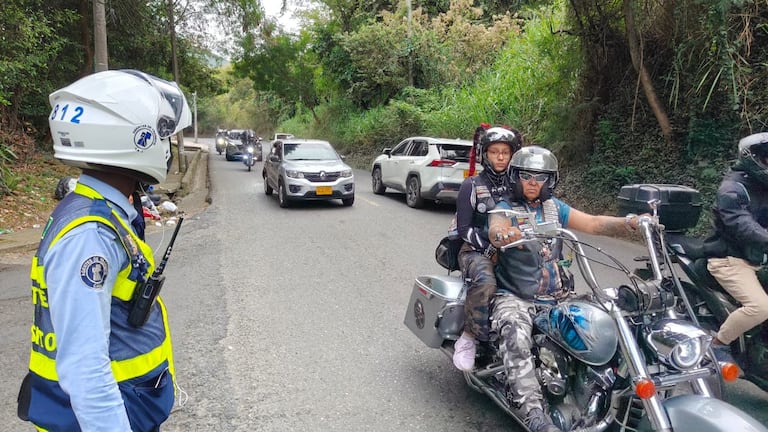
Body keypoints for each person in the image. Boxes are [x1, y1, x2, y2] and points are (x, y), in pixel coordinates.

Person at [16, 69, 191, 432]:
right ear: (138, 139)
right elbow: (85, 370)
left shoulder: (100, 209)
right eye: (164, 137)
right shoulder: (90, 236)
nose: (168, 148)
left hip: (130, 405)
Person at [487, 146, 641, 432]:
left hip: (558, 297)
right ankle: (533, 413)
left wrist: (632, 223)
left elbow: (594, 223)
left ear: (551, 180)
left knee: (610, 320)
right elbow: (495, 228)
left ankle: (607, 395)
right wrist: (503, 234)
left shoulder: (555, 208)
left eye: (541, 177)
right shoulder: (505, 208)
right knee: (515, 333)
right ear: (514, 176)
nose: (533, 182)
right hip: (516, 297)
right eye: (526, 175)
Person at [452, 125, 522, 372]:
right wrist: (489, 250)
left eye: (505, 152)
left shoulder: (520, 185)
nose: (501, 157)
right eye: (494, 152)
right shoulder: (471, 185)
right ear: (485, 154)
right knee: (485, 281)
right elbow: (464, 229)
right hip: (474, 250)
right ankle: (469, 337)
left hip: (514, 248)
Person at [703, 132, 768, 366]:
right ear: (754, 158)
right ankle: (718, 344)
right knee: (760, 307)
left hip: (756, 258)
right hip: (729, 259)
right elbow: (742, 224)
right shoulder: (733, 188)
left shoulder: (763, 186)